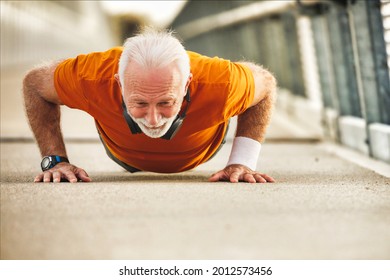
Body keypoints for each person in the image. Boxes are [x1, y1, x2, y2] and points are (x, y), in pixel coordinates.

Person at [23, 28, 277, 183]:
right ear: (119, 84)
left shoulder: (222, 82)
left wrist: (243, 161)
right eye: (140, 103)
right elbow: (34, 83)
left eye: (166, 102)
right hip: (120, 152)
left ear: (187, 83)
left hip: (200, 151)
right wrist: (55, 160)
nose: (154, 120)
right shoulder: (92, 76)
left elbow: (265, 84)